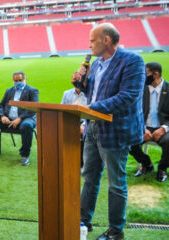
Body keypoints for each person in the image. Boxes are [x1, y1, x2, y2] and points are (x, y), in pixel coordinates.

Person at [72, 23, 145, 240]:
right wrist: (81, 83)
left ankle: (116, 230)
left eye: (92, 41)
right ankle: (83, 220)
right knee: (89, 177)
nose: (89, 45)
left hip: (116, 130)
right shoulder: (96, 64)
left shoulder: (132, 61)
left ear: (106, 40)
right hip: (94, 128)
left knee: (116, 181)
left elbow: (128, 96)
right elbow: (95, 93)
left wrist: (89, 109)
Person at [0, 71, 39, 166]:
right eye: (15, 80)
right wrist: (2, 116)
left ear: (25, 79)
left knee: (27, 125)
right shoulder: (9, 90)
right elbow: (1, 105)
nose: (17, 82)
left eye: (20, 80)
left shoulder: (32, 91)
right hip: (7, 117)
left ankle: (25, 155)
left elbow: (33, 108)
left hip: (26, 118)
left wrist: (20, 118)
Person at [129, 62, 169, 182]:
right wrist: (142, 128)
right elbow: (134, 111)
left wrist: (163, 129)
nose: (142, 77)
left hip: (163, 127)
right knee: (129, 141)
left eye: (145, 74)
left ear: (155, 74)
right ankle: (147, 164)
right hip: (144, 126)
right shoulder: (141, 89)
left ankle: (162, 169)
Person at [61, 87, 87, 167]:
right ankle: (65, 159)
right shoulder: (67, 93)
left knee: (83, 132)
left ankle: (81, 163)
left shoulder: (89, 93)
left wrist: (83, 125)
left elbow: (93, 112)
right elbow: (62, 109)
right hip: (70, 120)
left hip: (85, 121)